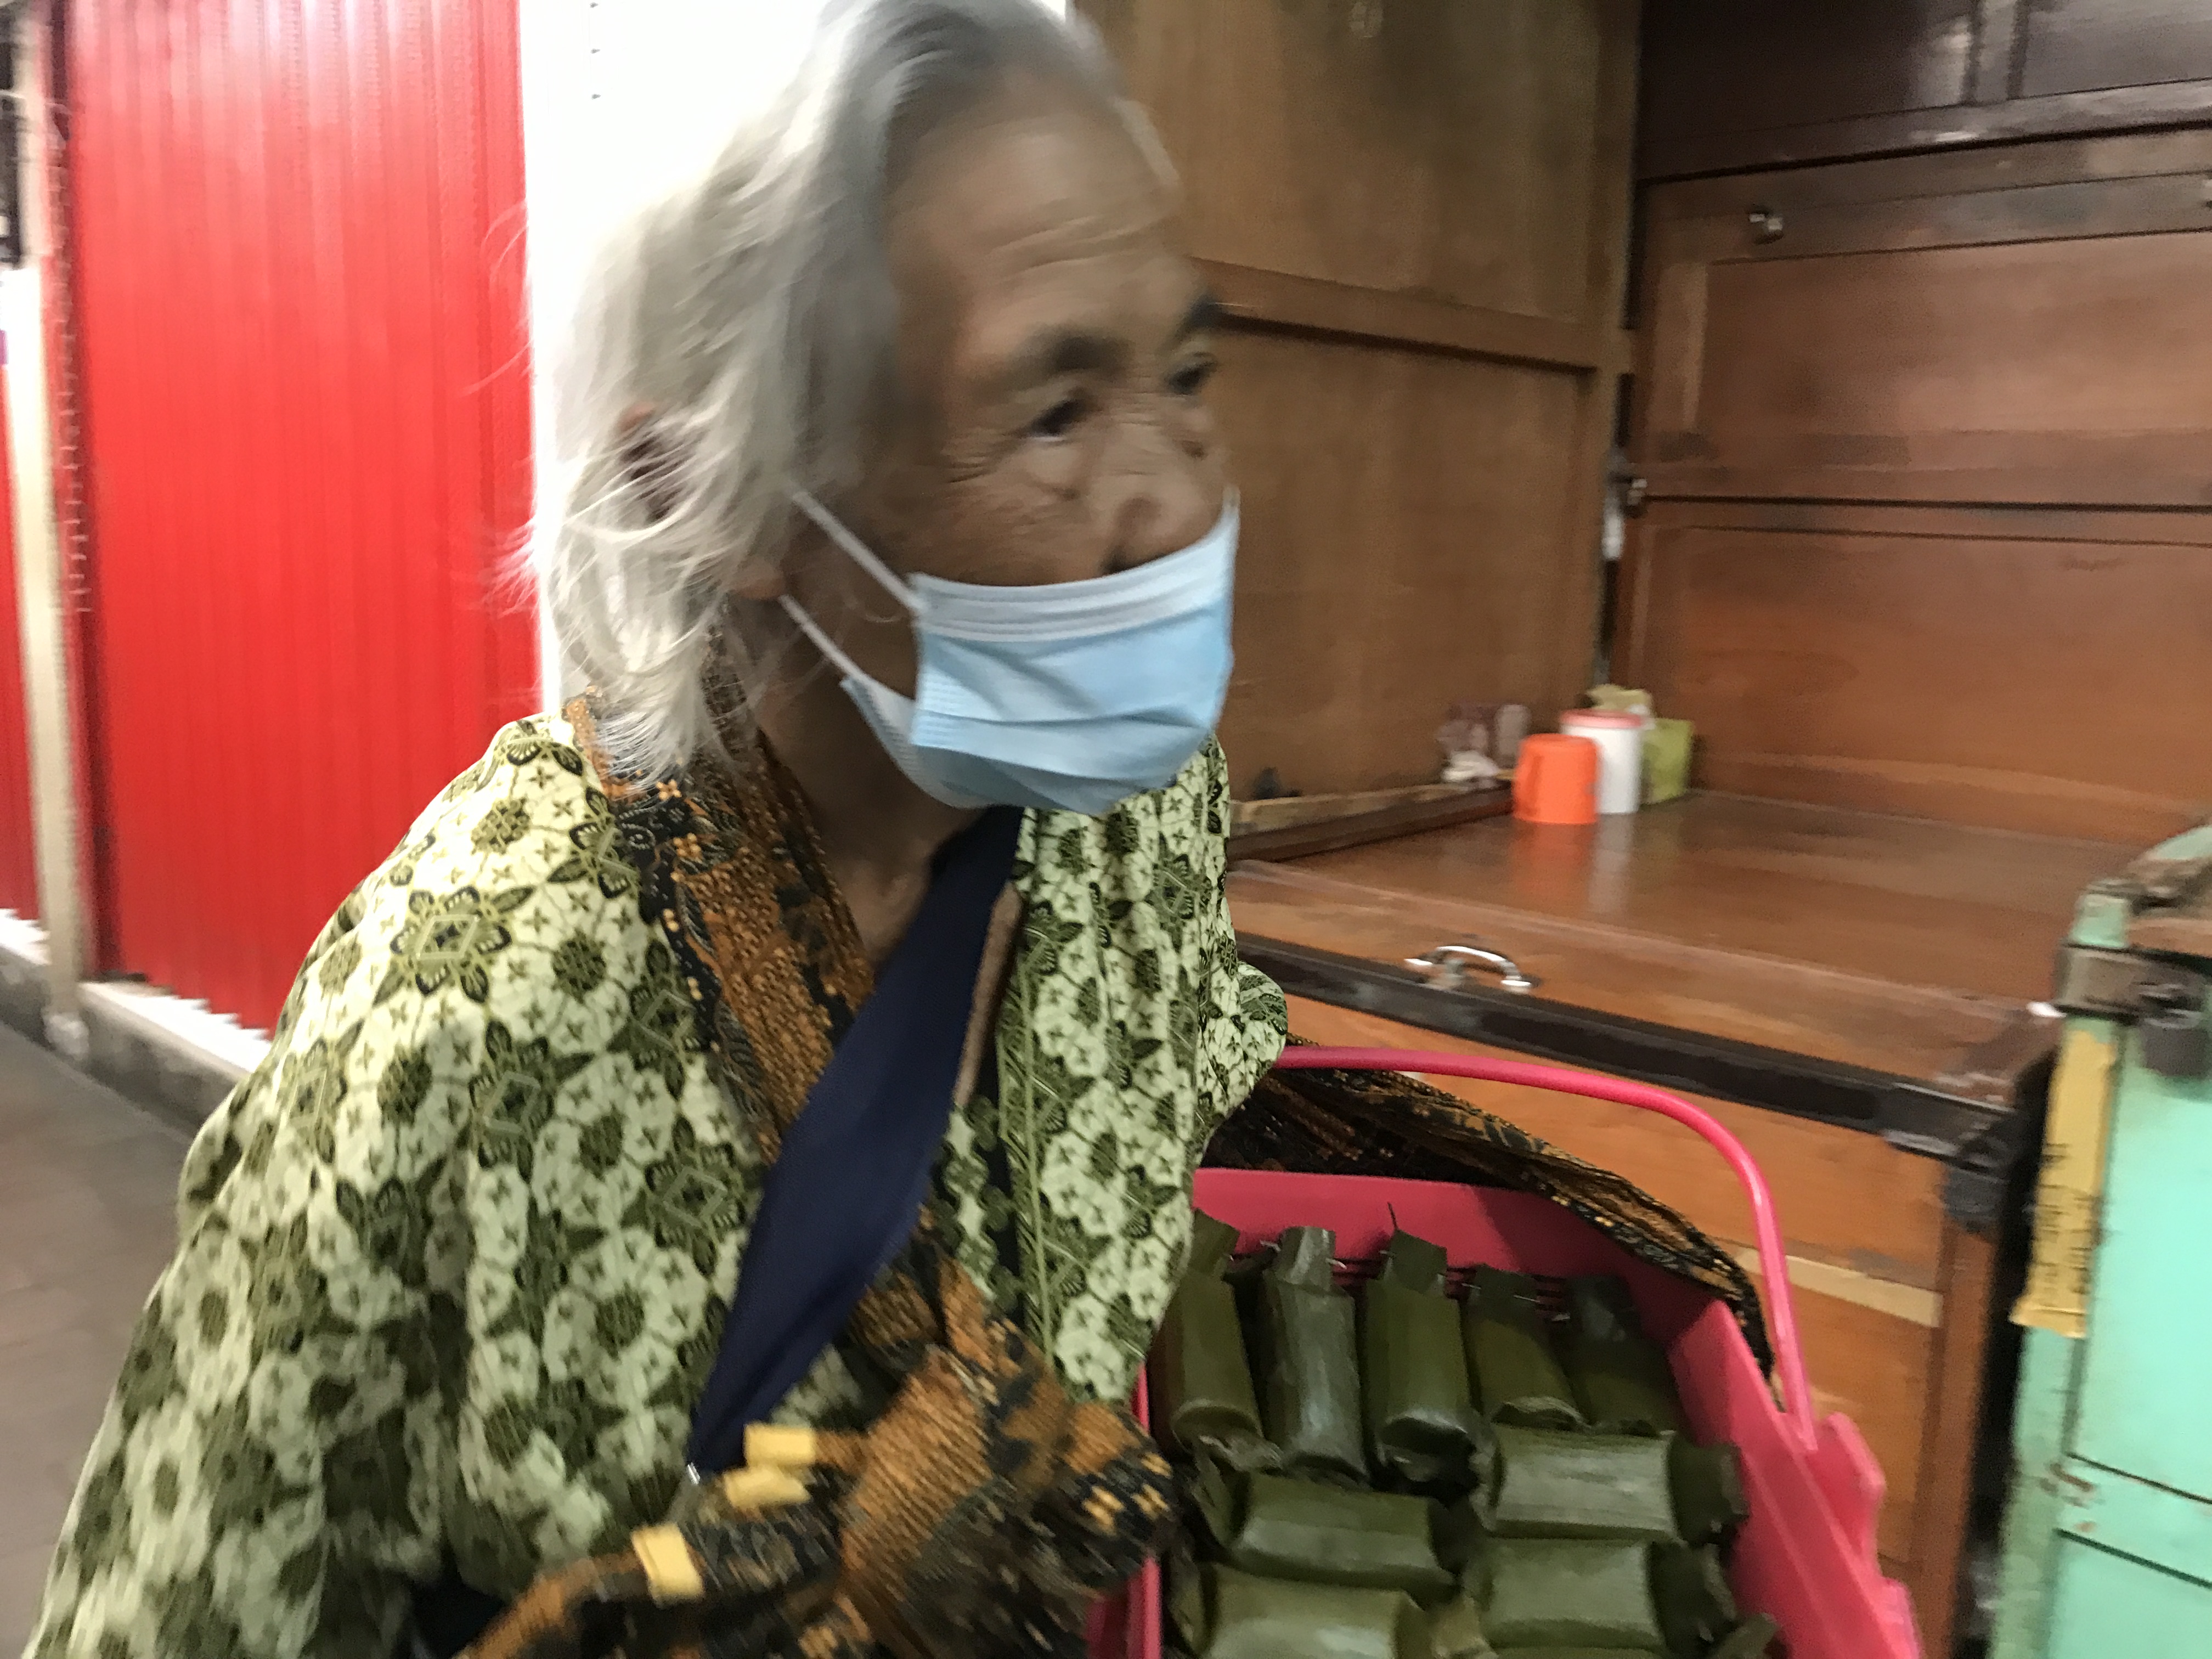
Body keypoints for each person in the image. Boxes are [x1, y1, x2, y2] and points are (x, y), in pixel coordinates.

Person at [26, 4, 1758, 1656]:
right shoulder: (480, 1002)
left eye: (1185, 374)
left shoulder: (1129, 823)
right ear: (708, 496)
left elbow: (1174, 1118)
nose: (1179, 499)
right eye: (1055, 413)